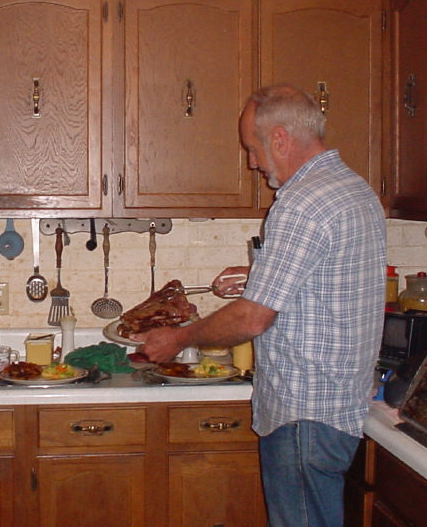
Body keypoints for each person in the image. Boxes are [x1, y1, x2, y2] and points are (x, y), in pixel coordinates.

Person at [132, 83, 386, 526]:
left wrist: (180, 338)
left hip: (304, 412)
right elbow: (328, 278)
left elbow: (251, 320)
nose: (252, 162)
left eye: (253, 148)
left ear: (281, 139)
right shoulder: (353, 189)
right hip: (337, 406)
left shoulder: (302, 203)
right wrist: (261, 275)